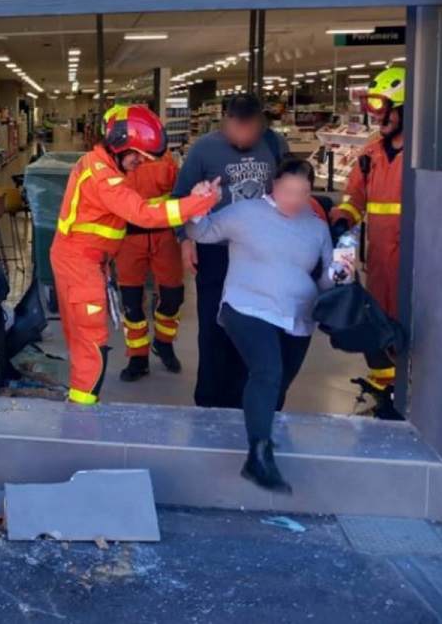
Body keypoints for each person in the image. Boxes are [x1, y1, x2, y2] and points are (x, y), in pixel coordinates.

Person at [186, 157, 351, 493]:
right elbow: (200, 231)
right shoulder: (245, 213)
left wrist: (340, 275)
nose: (296, 198)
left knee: (278, 385)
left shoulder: (315, 227)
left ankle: (261, 437)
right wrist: (198, 200)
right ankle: (259, 455)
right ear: (273, 186)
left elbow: (323, 281)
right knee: (267, 371)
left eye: (303, 192)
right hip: (246, 305)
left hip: (297, 315)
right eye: (289, 190)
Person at [51, 105, 220, 406]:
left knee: (82, 340)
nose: (140, 163)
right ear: (118, 143)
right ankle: (82, 416)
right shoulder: (105, 178)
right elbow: (142, 213)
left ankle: (82, 408)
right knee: (92, 344)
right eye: (137, 155)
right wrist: (199, 203)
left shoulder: (100, 164)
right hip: (83, 263)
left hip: (85, 260)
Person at [172, 94, 288, 409]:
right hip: (215, 253)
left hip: (260, 255)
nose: (243, 134)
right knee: (214, 327)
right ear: (225, 121)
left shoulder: (275, 146)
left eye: (249, 127)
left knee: (256, 327)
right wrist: (185, 238)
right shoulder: (203, 150)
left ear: (260, 123)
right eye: (235, 127)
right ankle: (209, 401)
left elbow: (291, 190)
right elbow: (180, 195)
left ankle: (248, 401)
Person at [329, 66, 405, 419]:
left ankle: (409, 393)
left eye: (383, 109)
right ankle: (386, 391)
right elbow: (355, 197)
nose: (377, 117)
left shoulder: (425, 153)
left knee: (411, 328)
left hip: (413, 258)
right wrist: (343, 216)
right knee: (375, 323)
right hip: (376, 257)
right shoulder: (370, 153)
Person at [96, 105, 188, 381]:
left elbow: (177, 193)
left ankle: (164, 342)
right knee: (132, 303)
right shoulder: (109, 163)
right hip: (128, 240)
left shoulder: (164, 156)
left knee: (173, 297)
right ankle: (138, 357)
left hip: (163, 235)